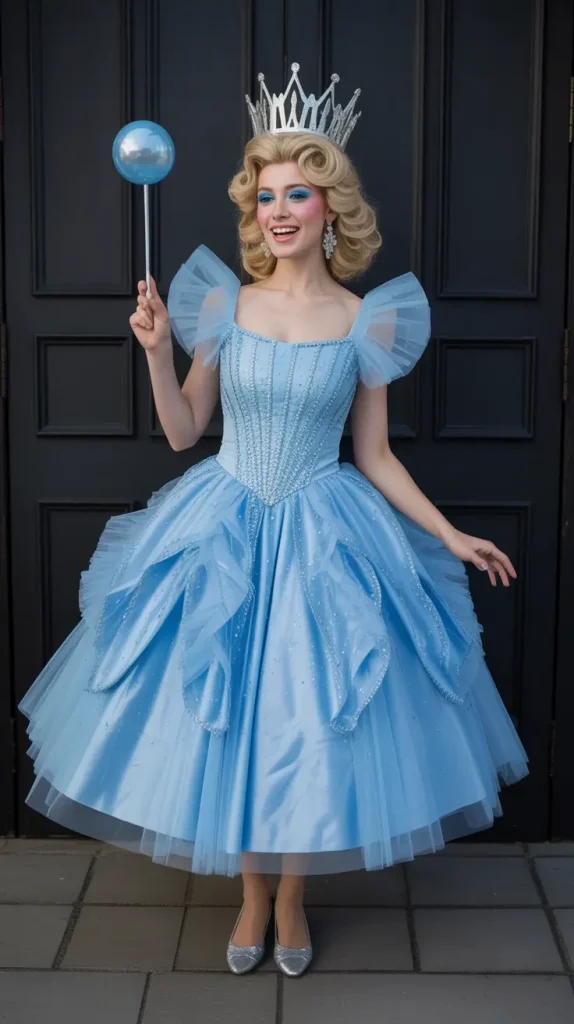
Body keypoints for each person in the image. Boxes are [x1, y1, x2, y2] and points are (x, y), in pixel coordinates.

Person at [18, 63, 529, 979]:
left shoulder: (368, 321)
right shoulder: (225, 303)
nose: (279, 211)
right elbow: (185, 431)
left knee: (309, 722)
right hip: (223, 523)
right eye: (265, 196)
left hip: (324, 531)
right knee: (228, 716)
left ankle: (289, 897)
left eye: (298, 193)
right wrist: (156, 351)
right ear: (252, 211)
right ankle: (250, 894)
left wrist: (449, 534)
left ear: (331, 206)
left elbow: (375, 455)